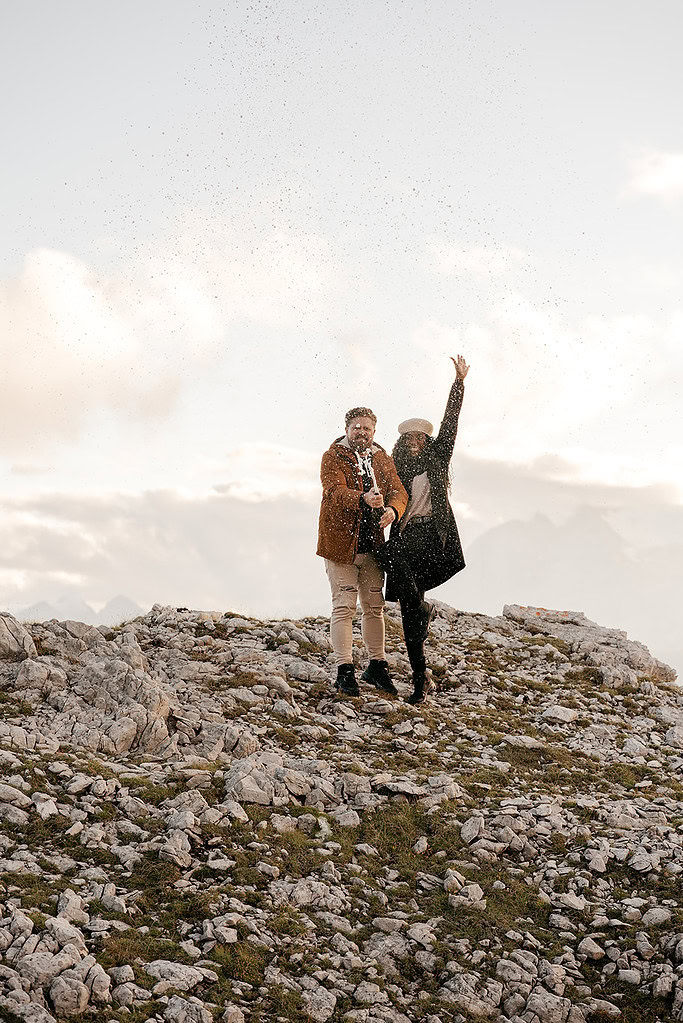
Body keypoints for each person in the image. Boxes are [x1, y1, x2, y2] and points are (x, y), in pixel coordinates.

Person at [377, 355, 469, 704]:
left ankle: (419, 679)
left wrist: (458, 383)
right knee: (410, 609)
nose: (414, 439)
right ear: (402, 441)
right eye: (409, 436)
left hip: (433, 538)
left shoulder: (438, 457)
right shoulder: (394, 466)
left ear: (426, 440)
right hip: (404, 538)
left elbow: (450, 424)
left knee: (410, 607)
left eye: (419, 436)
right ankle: (419, 678)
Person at [317, 407, 408, 697]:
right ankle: (345, 670)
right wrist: (363, 498)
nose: (361, 432)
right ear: (347, 429)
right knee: (344, 606)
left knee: (374, 606)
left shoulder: (382, 458)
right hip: (340, 544)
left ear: (374, 431)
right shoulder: (332, 456)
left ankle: (377, 666)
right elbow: (333, 491)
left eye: (366, 428)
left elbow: (398, 490)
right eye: (356, 427)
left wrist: (393, 510)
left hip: (372, 546)